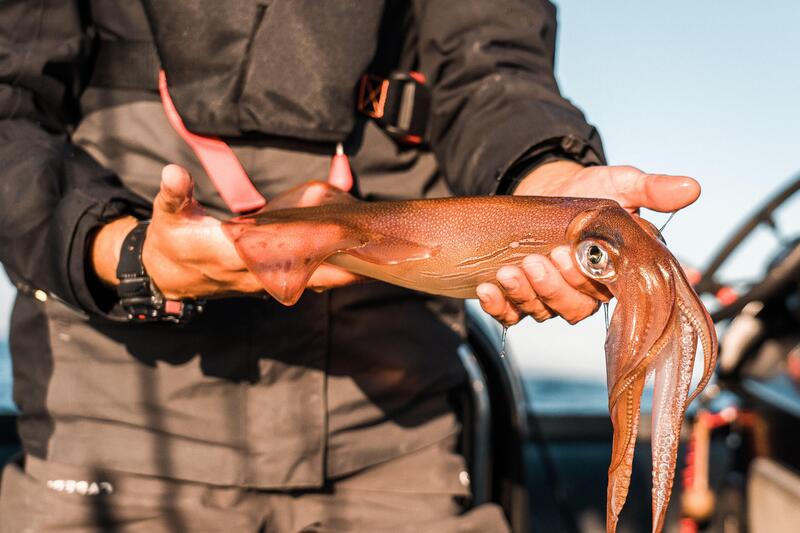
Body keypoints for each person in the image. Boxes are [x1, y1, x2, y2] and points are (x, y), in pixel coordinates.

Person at [0, 1, 699, 532]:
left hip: (396, 429)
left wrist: (543, 167)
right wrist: (124, 253)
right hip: (112, 420)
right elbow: (11, 99)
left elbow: (491, 64)